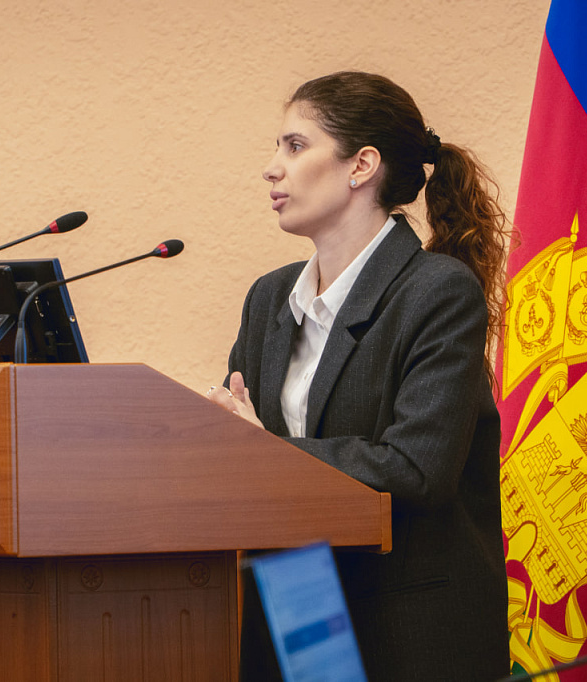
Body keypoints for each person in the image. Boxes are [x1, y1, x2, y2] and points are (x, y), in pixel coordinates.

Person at [207, 71, 511, 680]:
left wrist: (264, 451)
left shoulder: (437, 292)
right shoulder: (268, 299)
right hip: (293, 610)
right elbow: (240, 445)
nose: (271, 168)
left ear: (361, 166)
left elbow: (417, 469)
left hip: (404, 628)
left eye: (295, 146)